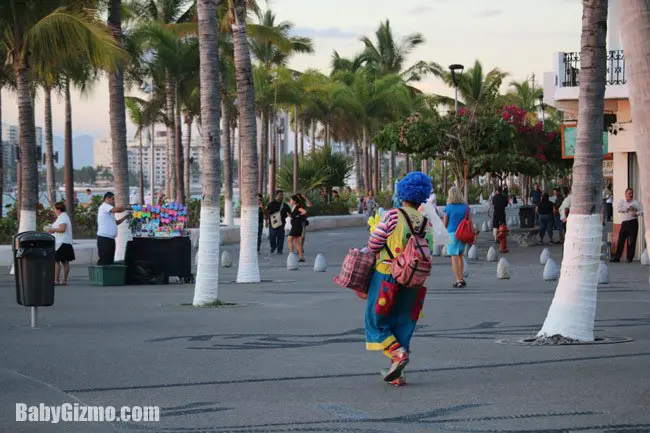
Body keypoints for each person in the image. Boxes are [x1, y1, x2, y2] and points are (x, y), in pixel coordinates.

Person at [364, 172, 433, 387]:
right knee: (403, 321)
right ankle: (397, 372)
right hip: (414, 280)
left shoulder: (393, 215)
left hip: (387, 275)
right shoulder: (425, 222)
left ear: (402, 192)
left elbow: (375, 243)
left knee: (376, 320)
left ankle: (397, 354)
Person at [443, 186, 472, 288]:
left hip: (452, 234)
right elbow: (470, 222)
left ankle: (458, 280)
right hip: (463, 234)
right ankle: (461, 278)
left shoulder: (448, 207)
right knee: (460, 256)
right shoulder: (466, 207)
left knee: (454, 257)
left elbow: (445, 224)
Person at [97, 192, 132, 265]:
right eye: (113, 199)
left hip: (110, 239)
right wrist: (127, 207)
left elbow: (116, 222)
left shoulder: (109, 211)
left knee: (110, 260)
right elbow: (117, 210)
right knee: (104, 260)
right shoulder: (104, 206)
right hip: (104, 238)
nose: (114, 201)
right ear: (107, 199)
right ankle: (101, 275)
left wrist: (125, 217)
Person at [612, 188, 643, 263]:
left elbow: (643, 211)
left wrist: (637, 213)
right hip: (624, 223)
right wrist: (627, 207)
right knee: (621, 241)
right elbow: (619, 209)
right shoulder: (622, 202)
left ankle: (630, 258)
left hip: (633, 223)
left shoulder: (636, 202)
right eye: (629, 193)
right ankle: (617, 258)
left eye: (631, 193)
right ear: (625, 194)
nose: (631, 195)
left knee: (632, 241)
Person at [48, 202, 75, 285]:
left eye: (54, 209)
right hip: (65, 242)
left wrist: (53, 230)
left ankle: (56, 280)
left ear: (58, 210)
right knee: (65, 262)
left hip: (61, 243)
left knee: (57, 262)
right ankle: (64, 280)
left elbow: (62, 229)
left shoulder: (62, 217)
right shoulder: (63, 216)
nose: (54, 211)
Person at [266, 190, 290, 254]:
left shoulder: (285, 205)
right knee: (272, 235)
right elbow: (267, 213)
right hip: (272, 223)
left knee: (281, 237)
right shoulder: (271, 204)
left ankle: (280, 250)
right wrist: (266, 221)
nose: (281, 196)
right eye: (280, 195)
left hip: (282, 223)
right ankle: (273, 247)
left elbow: (290, 213)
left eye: (282, 195)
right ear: (276, 196)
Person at [287, 195, 307, 262]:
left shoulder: (297, 207)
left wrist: (298, 216)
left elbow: (304, 211)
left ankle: (292, 254)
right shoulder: (294, 207)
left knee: (289, 240)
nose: (290, 201)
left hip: (296, 226)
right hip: (295, 226)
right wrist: (291, 215)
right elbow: (294, 215)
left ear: (294, 201)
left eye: (291, 200)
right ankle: (301, 257)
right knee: (297, 242)